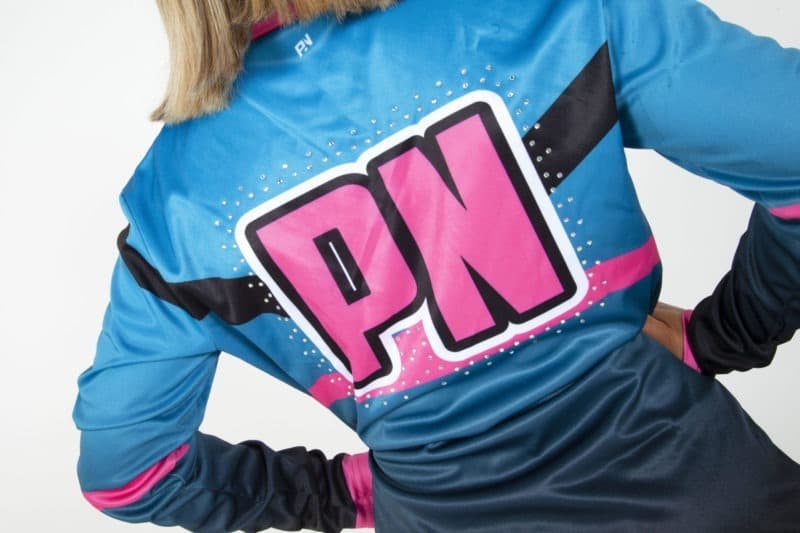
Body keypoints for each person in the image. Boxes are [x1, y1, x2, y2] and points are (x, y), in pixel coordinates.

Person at [73, 0, 800, 531]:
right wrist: (724, 333)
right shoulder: (543, 16)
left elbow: (125, 473)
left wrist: (343, 494)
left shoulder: (174, 204)